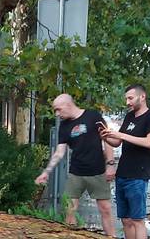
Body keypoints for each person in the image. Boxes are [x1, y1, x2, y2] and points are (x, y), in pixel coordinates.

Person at [35, 94, 116, 237]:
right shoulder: (64, 127)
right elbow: (59, 152)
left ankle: (111, 237)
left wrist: (110, 164)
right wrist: (46, 172)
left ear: (68, 104)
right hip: (76, 173)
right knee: (70, 209)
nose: (57, 114)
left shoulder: (93, 116)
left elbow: (107, 139)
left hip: (97, 171)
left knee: (105, 209)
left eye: (58, 109)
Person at [100, 84, 150, 239]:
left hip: (138, 175)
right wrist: (105, 136)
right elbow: (117, 143)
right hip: (122, 174)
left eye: (130, 98)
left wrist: (121, 136)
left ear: (142, 96)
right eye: (126, 98)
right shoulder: (129, 116)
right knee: (126, 220)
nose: (127, 102)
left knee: (137, 220)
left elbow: (149, 142)